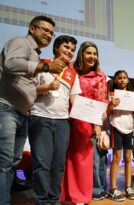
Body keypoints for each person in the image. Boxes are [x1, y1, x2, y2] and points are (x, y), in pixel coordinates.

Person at [0, 15, 66, 205]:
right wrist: (45, 66)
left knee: (11, 164)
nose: (49, 35)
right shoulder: (21, 42)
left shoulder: (35, 54)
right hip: (7, 108)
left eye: (51, 33)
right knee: (4, 164)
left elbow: (27, 86)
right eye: (45, 30)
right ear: (31, 28)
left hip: (21, 113)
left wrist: (46, 87)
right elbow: (10, 64)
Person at [28, 35, 80, 205]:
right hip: (39, 117)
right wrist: (47, 87)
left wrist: (98, 113)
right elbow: (28, 89)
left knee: (58, 165)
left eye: (72, 49)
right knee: (42, 164)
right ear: (56, 47)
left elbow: (76, 102)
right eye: (66, 47)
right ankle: (42, 201)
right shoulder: (42, 64)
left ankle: (53, 200)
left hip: (62, 122)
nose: (69, 51)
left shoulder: (72, 73)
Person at [60, 41, 108, 205]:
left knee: (82, 160)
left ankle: (80, 196)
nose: (92, 57)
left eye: (94, 54)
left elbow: (101, 101)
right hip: (64, 119)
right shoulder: (70, 69)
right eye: (88, 53)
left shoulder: (100, 76)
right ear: (81, 54)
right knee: (63, 158)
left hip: (85, 123)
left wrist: (98, 126)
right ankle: (64, 194)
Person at [106, 70, 134, 201]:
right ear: (115, 80)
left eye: (124, 78)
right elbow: (107, 113)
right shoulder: (111, 95)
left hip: (129, 128)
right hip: (116, 127)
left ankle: (128, 187)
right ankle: (113, 188)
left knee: (129, 158)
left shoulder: (133, 96)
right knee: (117, 158)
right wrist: (111, 105)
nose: (122, 80)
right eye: (119, 78)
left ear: (128, 80)